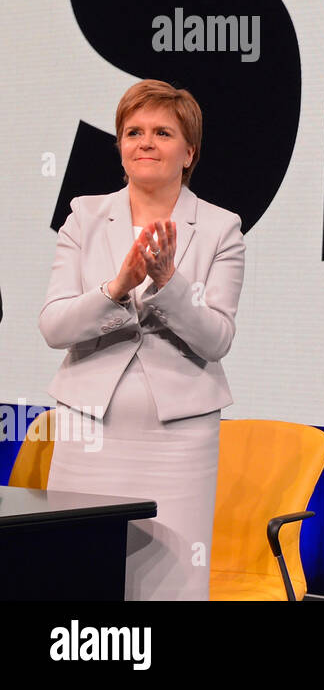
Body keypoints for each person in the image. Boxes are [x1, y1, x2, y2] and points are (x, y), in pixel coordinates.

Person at [38, 79, 245, 600]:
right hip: (88, 432)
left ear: (189, 151)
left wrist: (170, 286)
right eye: (133, 131)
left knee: (167, 582)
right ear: (120, 147)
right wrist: (117, 288)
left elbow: (217, 338)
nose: (145, 142)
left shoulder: (221, 228)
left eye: (162, 132)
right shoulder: (84, 217)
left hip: (179, 441)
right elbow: (54, 326)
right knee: (79, 574)